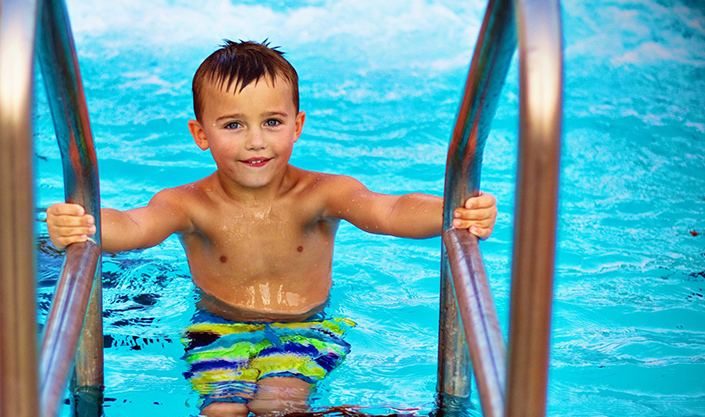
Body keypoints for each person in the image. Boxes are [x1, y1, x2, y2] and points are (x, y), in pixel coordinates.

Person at [46, 40, 497, 417]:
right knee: (221, 409)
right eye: (233, 125)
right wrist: (80, 222)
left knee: (280, 400)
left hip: (308, 328)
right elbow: (134, 226)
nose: (256, 140)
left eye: (272, 122)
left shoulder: (321, 194)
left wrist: (456, 210)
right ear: (200, 134)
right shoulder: (188, 204)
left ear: (297, 126)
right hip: (216, 326)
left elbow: (389, 211)